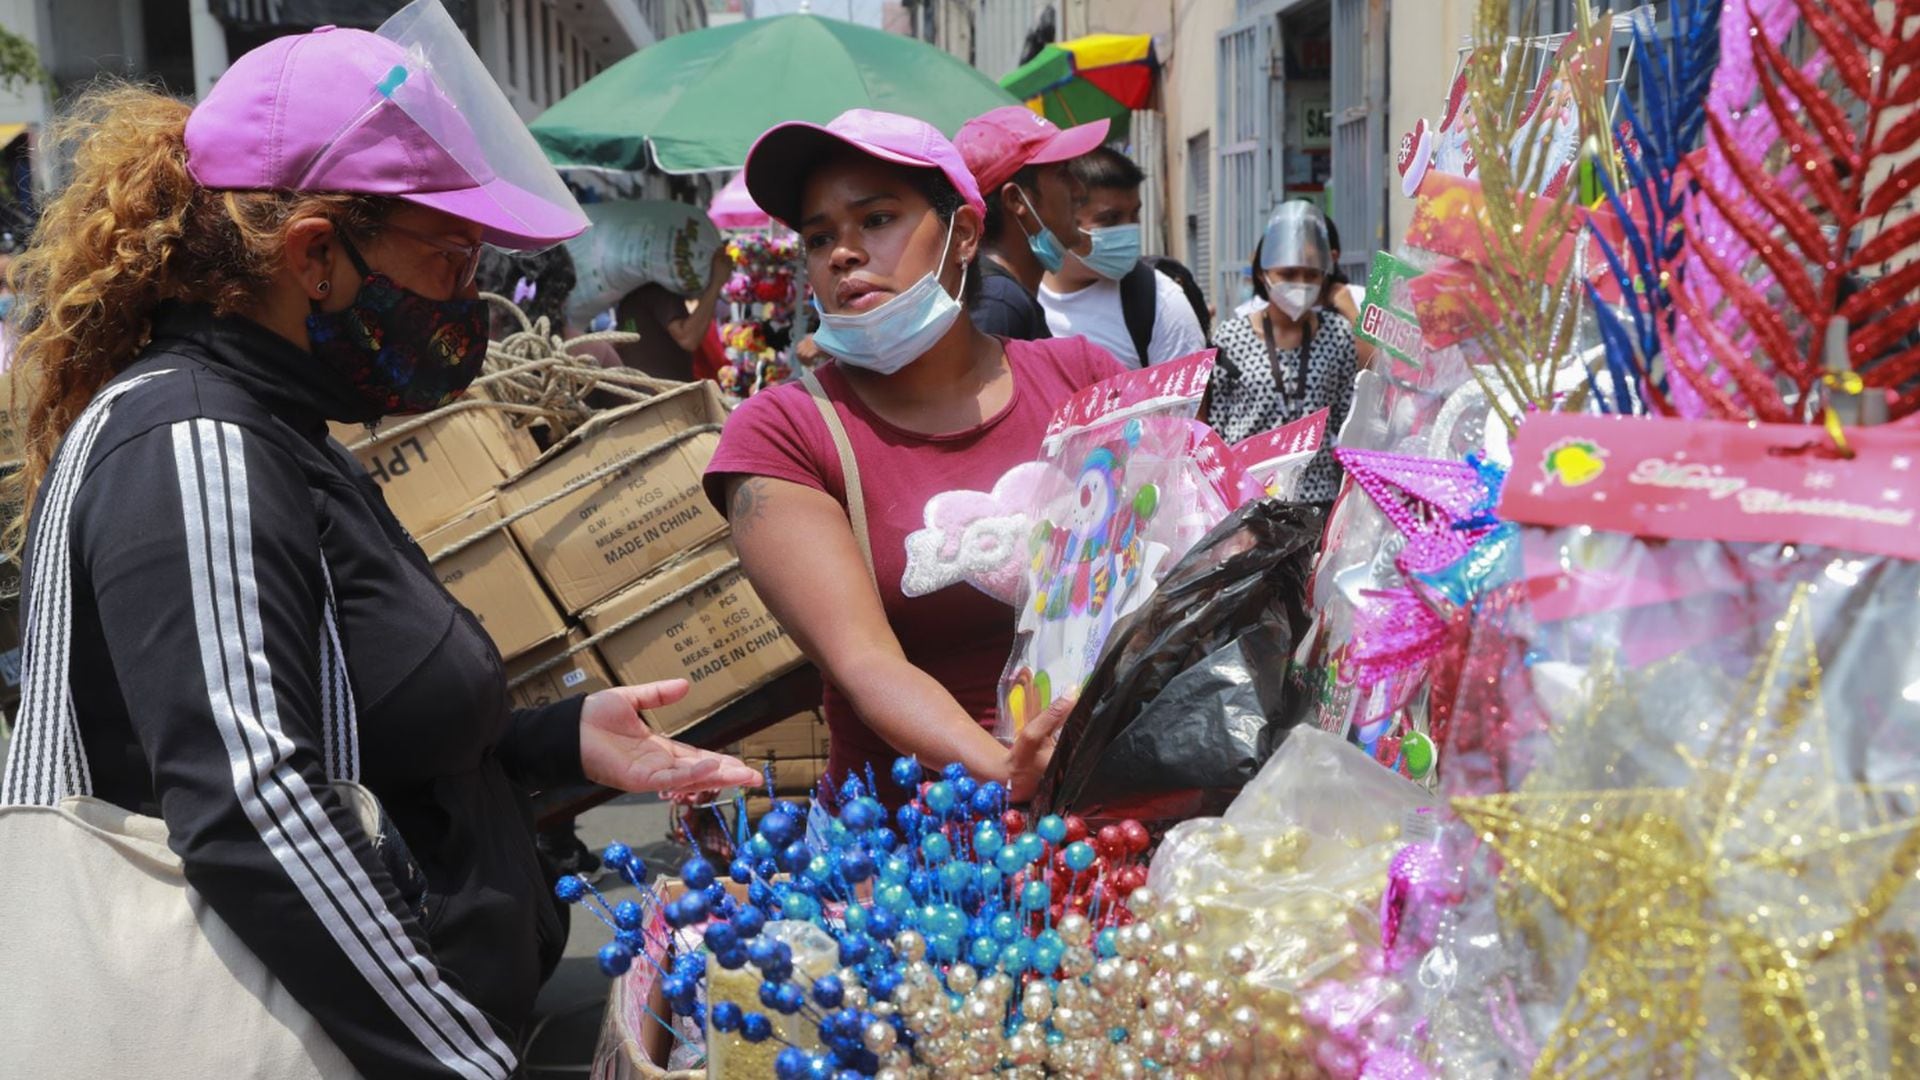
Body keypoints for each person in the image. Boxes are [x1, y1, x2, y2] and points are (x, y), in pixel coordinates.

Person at [0, 21, 755, 1078]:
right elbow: (256, 808)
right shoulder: (195, 441)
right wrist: (459, 1064)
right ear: (315, 255)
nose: (468, 297)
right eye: (449, 259)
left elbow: (349, 716)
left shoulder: (279, 428)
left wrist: (551, 741)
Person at [706, 109, 1127, 805]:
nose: (841, 253)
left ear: (962, 233)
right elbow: (865, 662)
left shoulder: (1082, 376)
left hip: (1113, 808)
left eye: (875, 221)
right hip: (915, 861)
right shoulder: (783, 433)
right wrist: (1004, 771)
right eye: (818, 237)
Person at [1206, 202, 1359, 502]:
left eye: (1311, 274)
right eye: (1289, 272)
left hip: (1317, 500)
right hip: (1247, 501)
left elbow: (1346, 423)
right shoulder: (1231, 337)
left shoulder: (1338, 334)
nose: (1300, 284)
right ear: (1264, 273)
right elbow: (1216, 427)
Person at [1038, 146, 1208, 367]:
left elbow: (1191, 402)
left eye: (1135, 214)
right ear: (1064, 217)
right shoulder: (1018, 299)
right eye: (1110, 218)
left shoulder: (1162, 302)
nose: (1129, 229)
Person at [954, 106, 1108, 340]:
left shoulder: (1001, 296)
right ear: (1016, 200)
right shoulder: (998, 304)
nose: (1079, 190)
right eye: (1062, 174)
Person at [611, 246, 734, 380]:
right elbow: (688, 339)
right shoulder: (658, 290)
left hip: (643, 392)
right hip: (665, 395)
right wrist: (716, 282)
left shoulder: (629, 297)